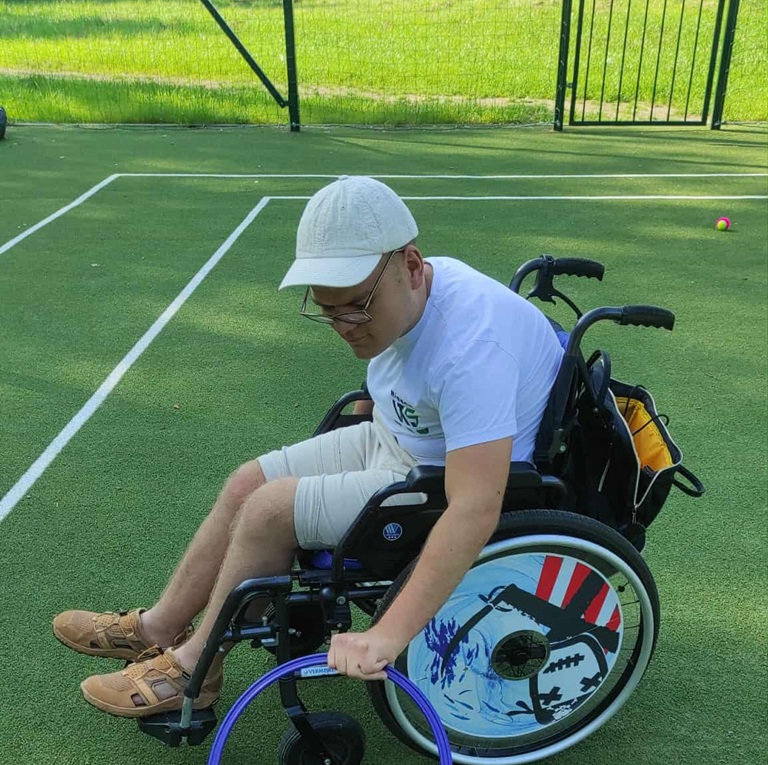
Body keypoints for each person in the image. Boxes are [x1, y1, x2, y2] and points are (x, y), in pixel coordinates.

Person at [52, 175, 564, 718]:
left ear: (412, 266)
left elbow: (476, 506)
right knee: (247, 482)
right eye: (328, 309)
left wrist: (387, 635)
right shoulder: (409, 290)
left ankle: (195, 671)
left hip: (441, 478)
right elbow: (398, 376)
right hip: (404, 439)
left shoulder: (473, 348)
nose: (343, 326)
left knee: (269, 511)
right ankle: (158, 627)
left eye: (355, 307)